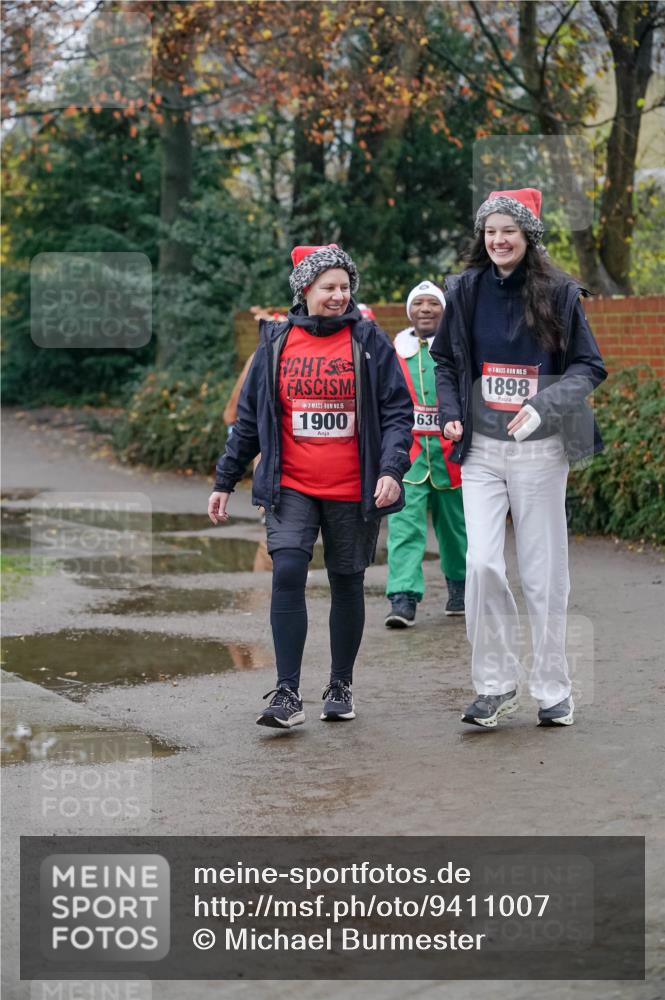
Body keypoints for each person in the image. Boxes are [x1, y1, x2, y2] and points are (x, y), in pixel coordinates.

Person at [208, 244, 413, 729]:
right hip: (291, 484)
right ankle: (286, 692)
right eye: (329, 288)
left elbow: (397, 412)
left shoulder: (369, 342)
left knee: (347, 581)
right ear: (305, 290)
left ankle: (340, 685)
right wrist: (225, 479)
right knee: (288, 572)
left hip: (352, 486)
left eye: (345, 287)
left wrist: (391, 469)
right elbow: (251, 420)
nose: (339, 296)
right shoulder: (277, 343)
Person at [431, 188, 607, 729]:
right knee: (481, 563)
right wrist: (451, 411)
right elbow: (442, 361)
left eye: (508, 231)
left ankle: (554, 689)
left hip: (542, 450)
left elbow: (588, 366)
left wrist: (543, 403)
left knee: (542, 574)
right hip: (481, 450)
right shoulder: (463, 290)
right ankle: (494, 685)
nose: (499, 240)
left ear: (528, 236)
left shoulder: (558, 292)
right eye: (490, 231)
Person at [385, 280, 467, 628]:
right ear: (409, 310)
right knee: (403, 526)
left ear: (444, 310)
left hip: (452, 452)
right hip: (409, 455)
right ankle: (402, 597)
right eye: (418, 303)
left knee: (456, 528)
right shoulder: (395, 351)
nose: (425, 309)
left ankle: (460, 588)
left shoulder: (459, 348)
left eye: (433, 303)